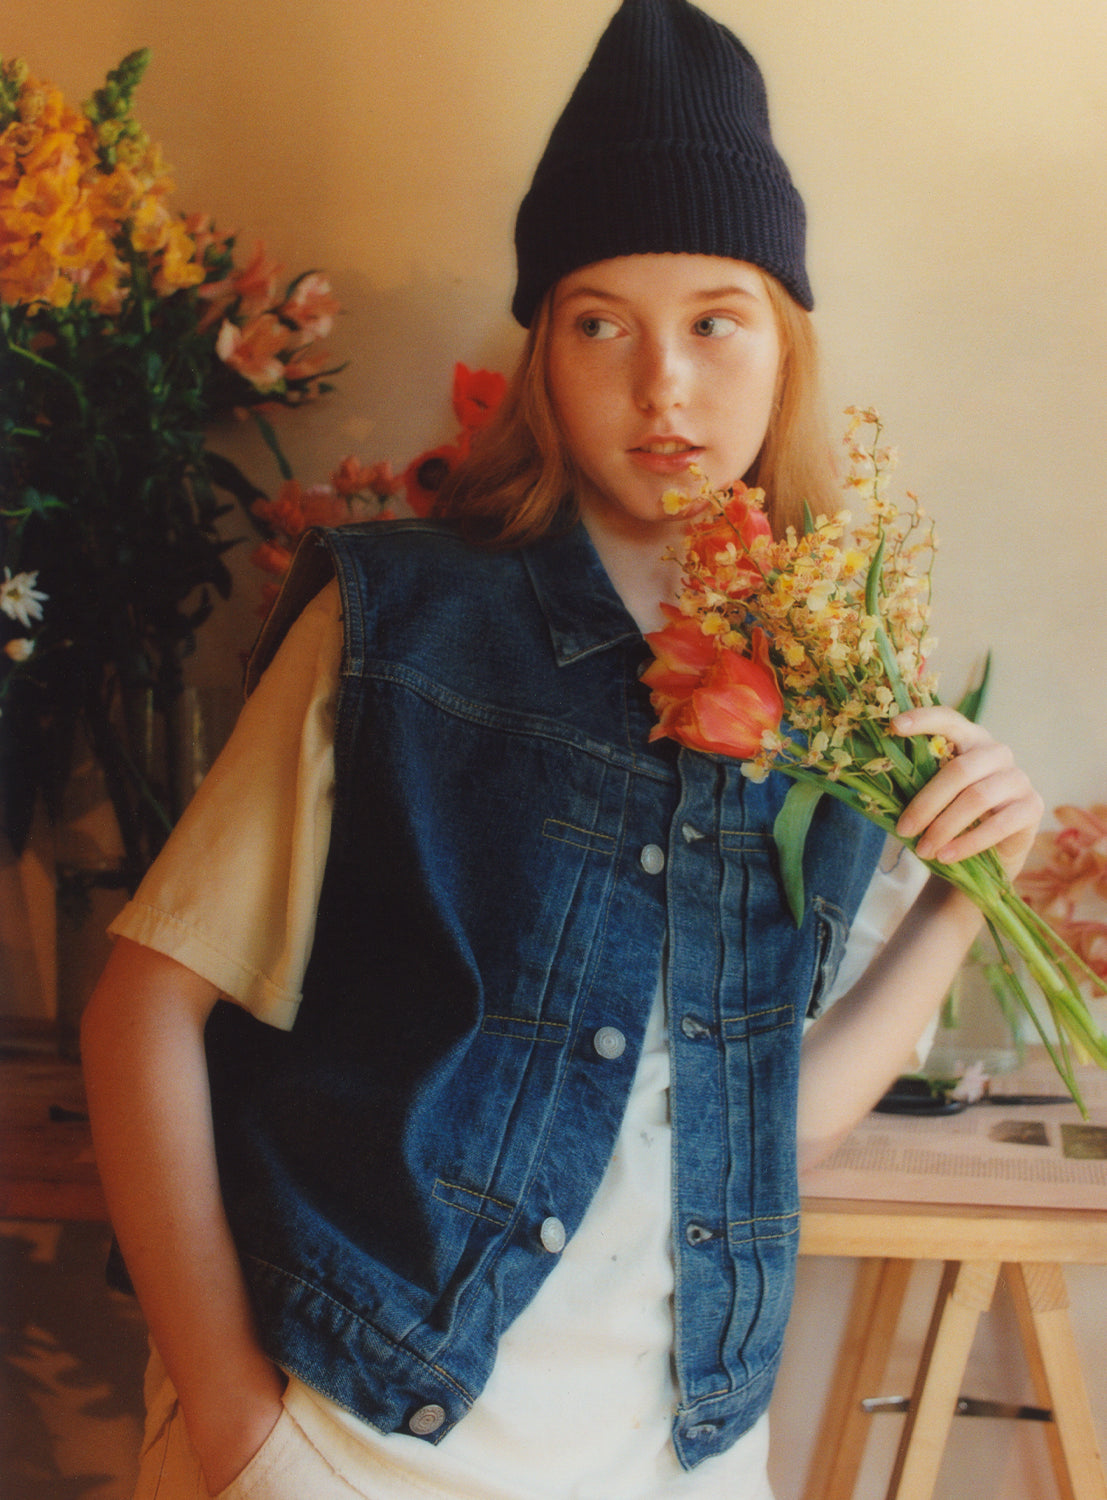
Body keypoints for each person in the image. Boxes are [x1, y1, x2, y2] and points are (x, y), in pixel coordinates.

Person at [80, 3, 1044, 1497]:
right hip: (351, 1428)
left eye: (714, 319)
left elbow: (757, 1134)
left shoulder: (835, 688)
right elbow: (144, 1010)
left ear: (786, 343)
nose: (662, 385)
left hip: (678, 1447)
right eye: (600, 322)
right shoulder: (399, 624)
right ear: (544, 351)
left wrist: (964, 900)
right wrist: (232, 1419)